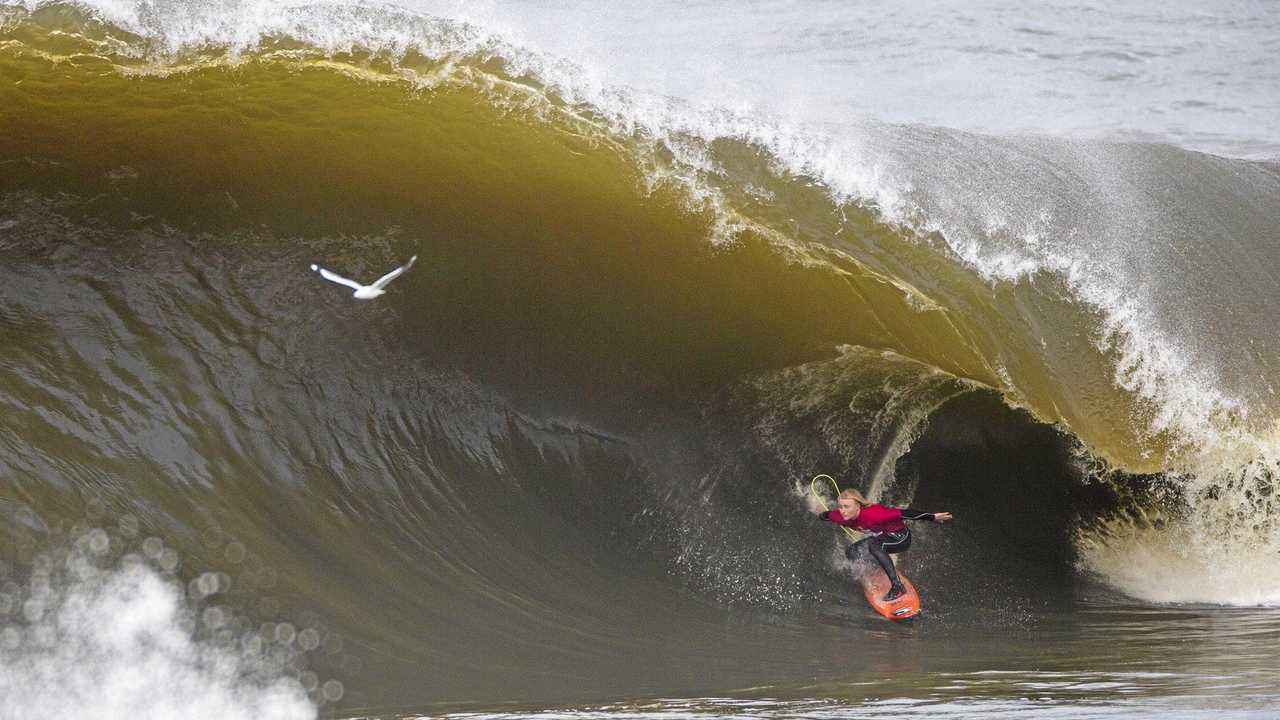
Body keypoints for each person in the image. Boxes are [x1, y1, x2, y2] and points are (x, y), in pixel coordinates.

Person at [819, 487, 953, 601]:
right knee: (852, 551)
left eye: (847, 506)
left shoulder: (875, 514)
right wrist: (820, 513)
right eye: (840, 507)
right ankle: (878, 566)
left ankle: (897, 586)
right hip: (882, 538)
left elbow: (905, 514)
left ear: (858, 505)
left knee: (873, 545)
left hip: (900, 538)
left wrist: (933, 517)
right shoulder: (841, 516)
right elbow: (826, 515)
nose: (843, 510)